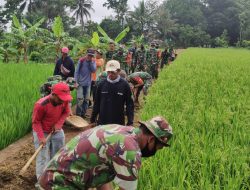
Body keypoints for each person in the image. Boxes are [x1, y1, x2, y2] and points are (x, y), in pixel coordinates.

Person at [37, 116, 173, 190]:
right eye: (158, 147)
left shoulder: (120, 130)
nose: (156, 151)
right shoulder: (130, 153)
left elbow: (101, 172)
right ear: (150, 140)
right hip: (59, 185)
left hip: (51, 178)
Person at [32, 82, 72, 179]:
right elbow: (36, 122)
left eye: (65, 98)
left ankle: (55, 175)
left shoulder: (64, 101)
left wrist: (58, 124)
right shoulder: (41, 105)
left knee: (59, 154)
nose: (63, 101)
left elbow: (66, 112)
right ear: (53, 94)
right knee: (43, 157)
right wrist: (41, 137)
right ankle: (41, 181)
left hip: (56, 130)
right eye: (61, 98)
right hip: (41, 131)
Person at [90, 60, 134, 126]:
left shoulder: (124, 85)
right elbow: (97, 103)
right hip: (103, 121)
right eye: (108, 72)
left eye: (113, 72)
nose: (110, 74)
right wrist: (93, 119)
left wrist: (130, 121)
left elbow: (129, 104)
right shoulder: (101, 84)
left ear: (119, 71)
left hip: (118, 122)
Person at [74, 49, 96, 118]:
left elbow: (93, 70)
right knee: (80, 99)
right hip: (80, 83)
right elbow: (76, 72)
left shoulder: (93, 61)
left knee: (86, 100)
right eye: (89, 55)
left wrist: (91, 62)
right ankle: (78, 115)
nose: (90, 56)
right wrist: (75, 82)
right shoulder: (81, 60)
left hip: (88, 83)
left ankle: (83, 114)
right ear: (87, 54)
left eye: (91, 55)